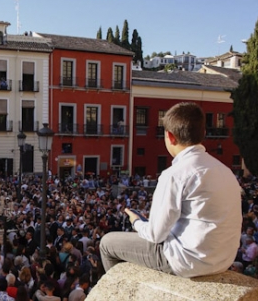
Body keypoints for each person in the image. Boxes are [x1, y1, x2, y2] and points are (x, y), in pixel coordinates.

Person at [100, 102, 242, 278]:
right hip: (223, 260)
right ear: (203, 134)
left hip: (187, 261)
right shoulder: (225, 171)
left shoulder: (175, 174)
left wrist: (136, 222)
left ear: (170, 136)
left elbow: (155, 235)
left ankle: (118, 300)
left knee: (107, 243)